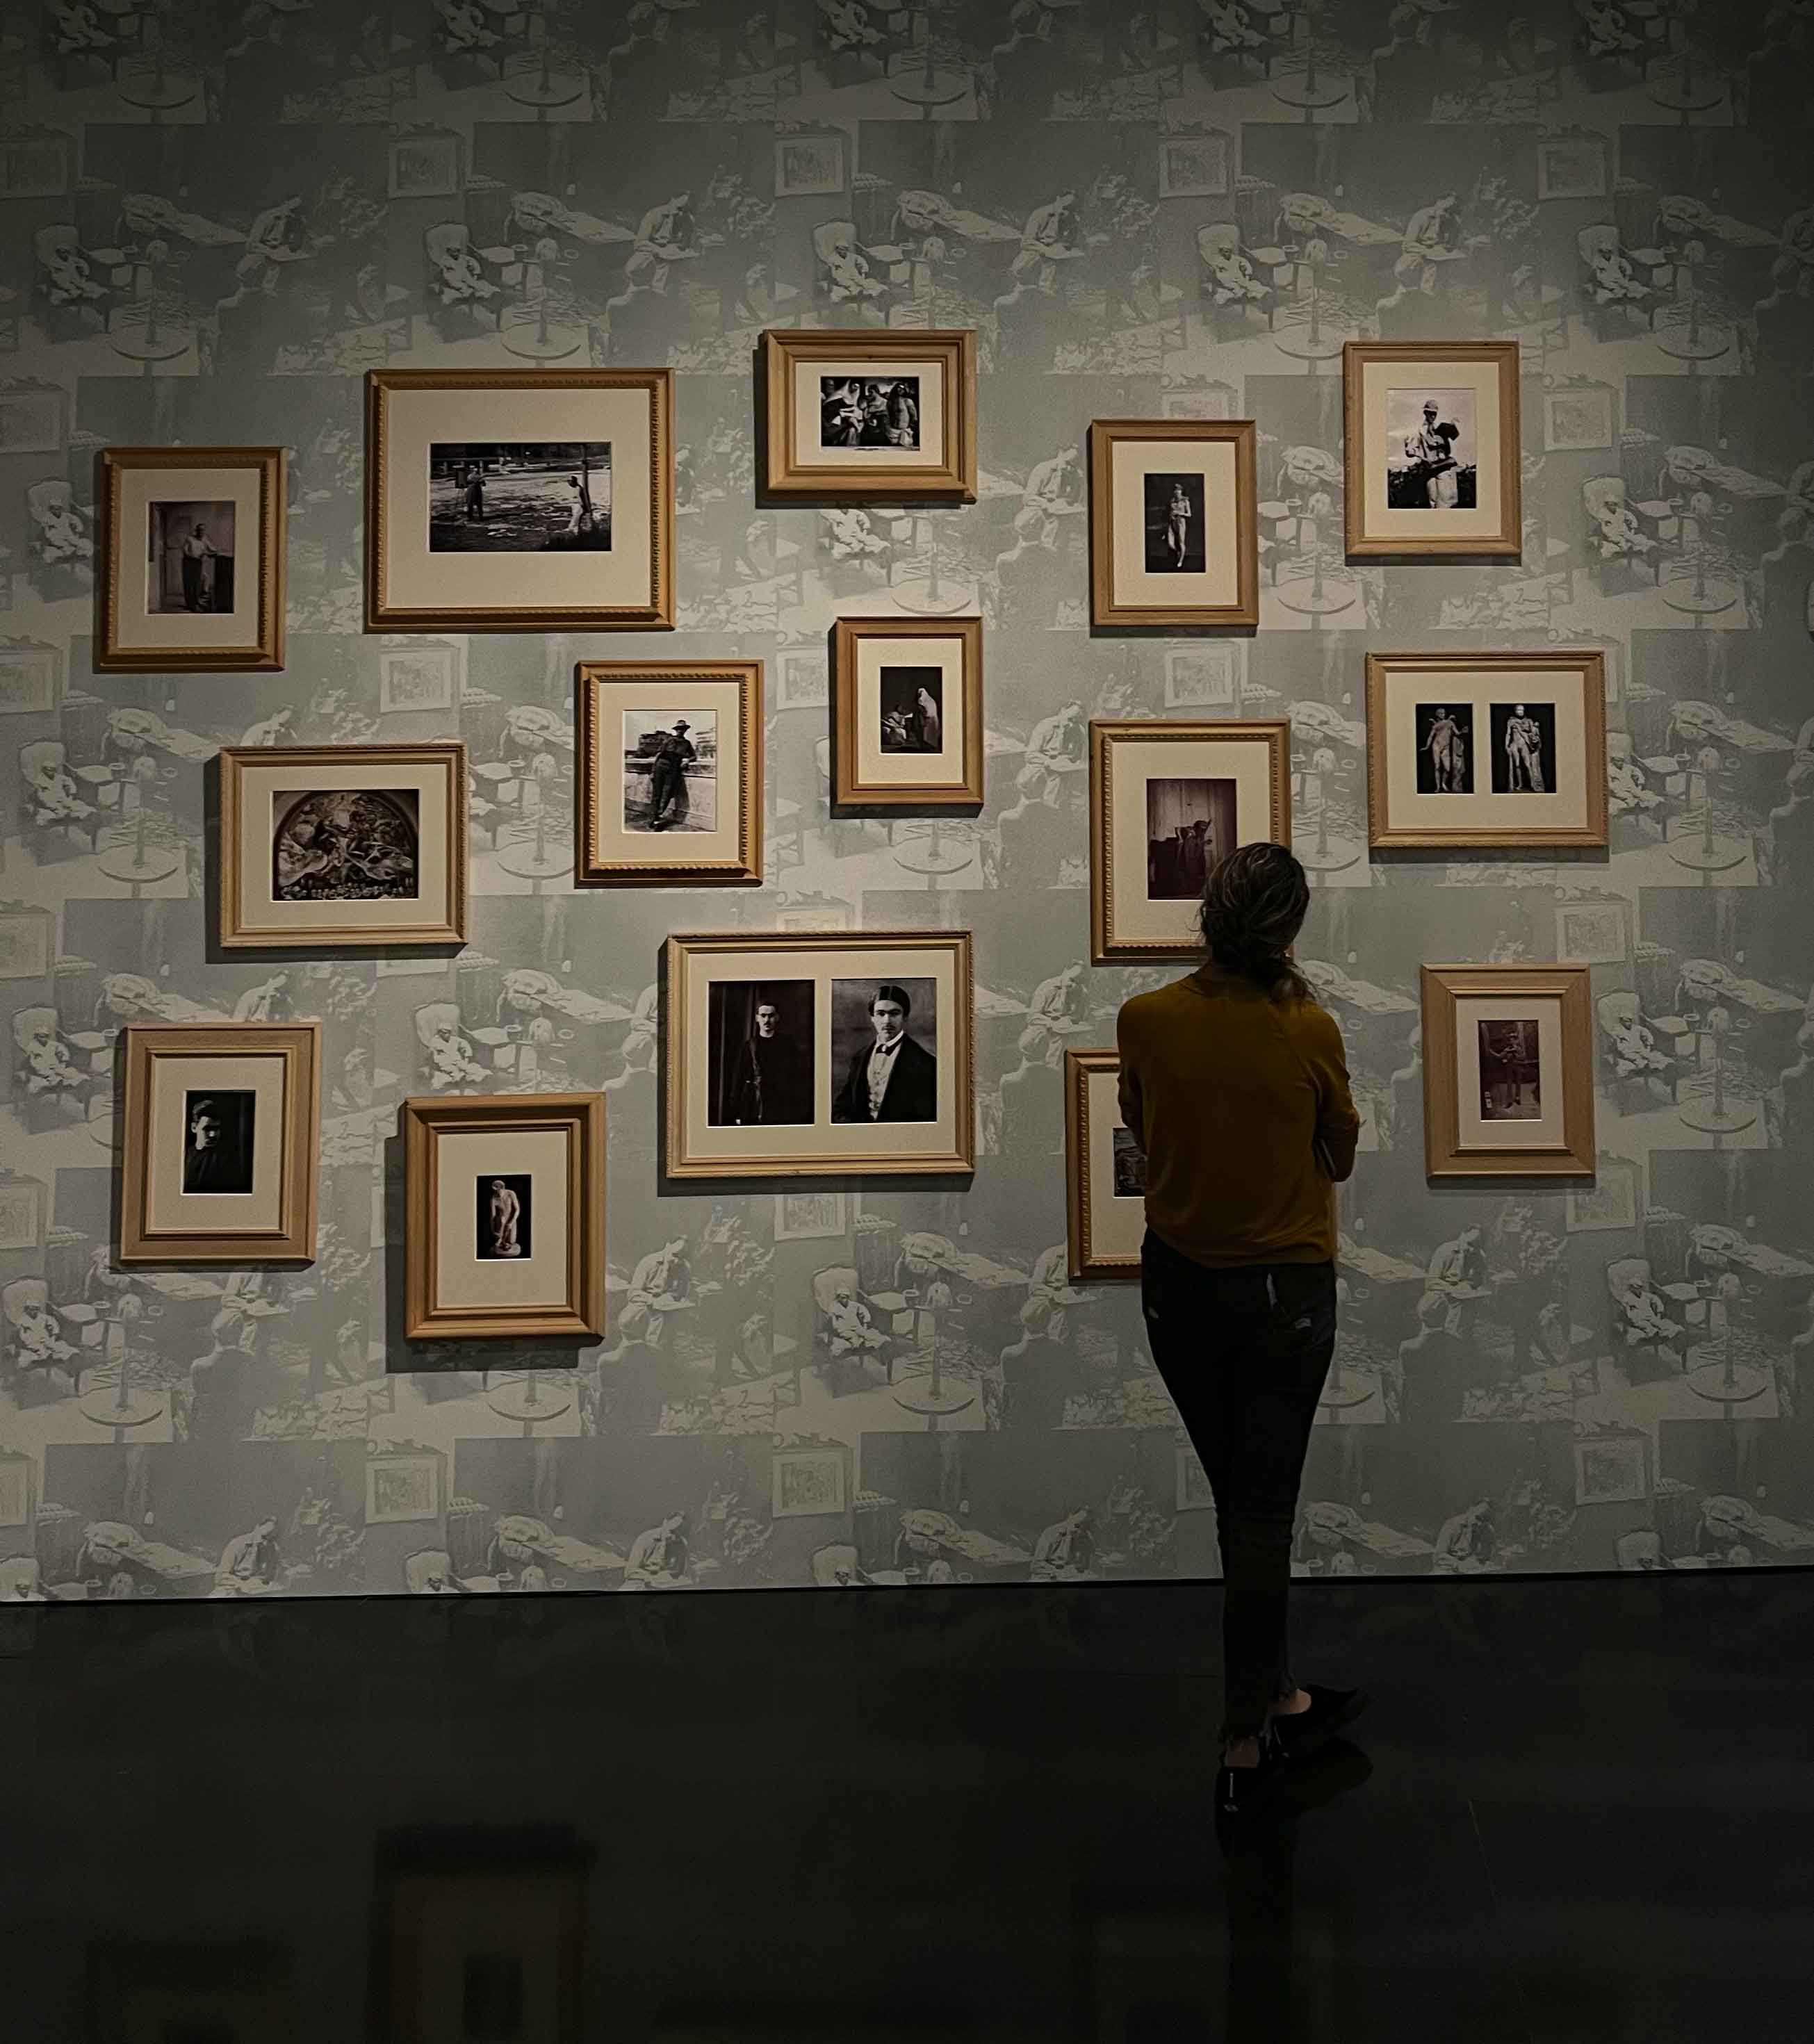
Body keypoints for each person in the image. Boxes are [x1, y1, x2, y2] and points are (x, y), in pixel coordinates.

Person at [1116, 841, 1364, 1822]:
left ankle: (1278, 1693)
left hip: (1177, 1291)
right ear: (1288, 928)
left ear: (1206, 913)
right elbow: (1338, 1155)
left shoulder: (1145, 1021)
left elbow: (1142, 1132)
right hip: (1282, 1296)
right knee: (1257, 1514)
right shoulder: (1308, 1027)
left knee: (1240, 1502)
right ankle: (1243, 1737)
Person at [833, 983, 938, 1124]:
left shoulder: (926, 1063)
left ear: (905, 1017)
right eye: (881, 1014)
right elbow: (842, 1108)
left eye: (894, 1014)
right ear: (872, 1017)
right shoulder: (860, 1058)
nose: (887, 1021)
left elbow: (927, 1119)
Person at [721, 994, 810, 1126]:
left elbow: (797, 1081)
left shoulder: (788, 1046)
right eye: (763, 1016)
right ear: (757, 1018)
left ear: (777, 1018)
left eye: (771, 1016)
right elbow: (738, 1081)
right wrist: (737, 1113)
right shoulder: (749, 1046)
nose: (767, 1020)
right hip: (754, 1107)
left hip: (781, 1108)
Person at [1401, 396, 1460, 507]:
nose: (1432, 416)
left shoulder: (1442, 428)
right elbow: (1411, 452)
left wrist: (1453, 426)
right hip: (1429, 470)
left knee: (1444, 504)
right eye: (1430, 413)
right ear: (1425, 413)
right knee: (1432, 503)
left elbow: (1454, 437)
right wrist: (1407, 446)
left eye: (1435, 413)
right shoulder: (1421, 431)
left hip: (1443, 468)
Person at [646, 719, 695, 829]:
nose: (680, 731)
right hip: (661, 766)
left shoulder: (687, 743)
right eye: (678, 729)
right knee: (657, 794)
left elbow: (694, 756)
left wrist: (687, 761)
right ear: (675, 730)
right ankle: (654, 819)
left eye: (682, 729)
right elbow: (659, 755)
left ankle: (658, 817)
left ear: (685, 730)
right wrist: (653, 772)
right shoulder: (668, 740)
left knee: (667, 794)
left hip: (673, 769)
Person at [1503, 704, 1545, 792]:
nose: (1520, 711)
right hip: (1514, 744)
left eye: (1522, 710)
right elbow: (1508, 734)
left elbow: (1534, 733)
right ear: (1515, 711)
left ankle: (1533, 784)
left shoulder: (1529, 721)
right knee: (1517, 765)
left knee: (1527, 765)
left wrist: (1535, 734)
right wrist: (1506, 745)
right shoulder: (1511, 721)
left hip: (1524, 744)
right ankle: (1520, 784)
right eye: (1518, 710)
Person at [1423, 707, 1466, 792]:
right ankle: (1438, 787)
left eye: (1444, 713)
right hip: (1436, 746)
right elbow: (1431, 736)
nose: (1443, 715)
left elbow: (1457, 733)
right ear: (1437, 715)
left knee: (1447, 768)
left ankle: (1443, 783)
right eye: (1441, 713)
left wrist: (1462, 732)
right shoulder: (1436, 726)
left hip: (1446, 747)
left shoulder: (1450, 723)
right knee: (1437, 767)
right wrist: (1427, 746)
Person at [180, 521, 216, 612]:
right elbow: (185, 550)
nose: (201, 532)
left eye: (203, 530)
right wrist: (193, 556)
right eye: (199, 530)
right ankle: (189, 604)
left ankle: (195, 603)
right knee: (188, 583)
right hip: (188, 562)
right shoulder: (189, 539)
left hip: (197, 563)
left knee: (197, 583)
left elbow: (214, 550)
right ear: (196, 531)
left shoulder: (205, 540)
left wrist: (206, 553)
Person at [487, 1179, 522, 1257]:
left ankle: (504, 1241)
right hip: (501, 1221)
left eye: (500, 1190)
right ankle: (501, 1240)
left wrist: (511, 1222)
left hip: (511, 1220)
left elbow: (517, 1209)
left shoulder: (511, 1193)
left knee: (512, 1241)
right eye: (496, 1191)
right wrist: (493, 1230)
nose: (498, 1193)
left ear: (503, 1188)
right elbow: (493, 1217)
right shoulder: (494, 1199)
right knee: (502, 1220)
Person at [1165, 478, 1191, 567]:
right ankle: (1178, 552)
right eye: (1175, 491)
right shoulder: (1172, 501)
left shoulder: (1185, 501)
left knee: (1181, 542)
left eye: (1178, 491)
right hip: (1172, 522)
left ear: (1181, 492)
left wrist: (1180, 513)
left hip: (1181, 522)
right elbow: (1169, 513)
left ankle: (1181, 560)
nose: (1177, 492)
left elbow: (1189, 514)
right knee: (1170, 544)